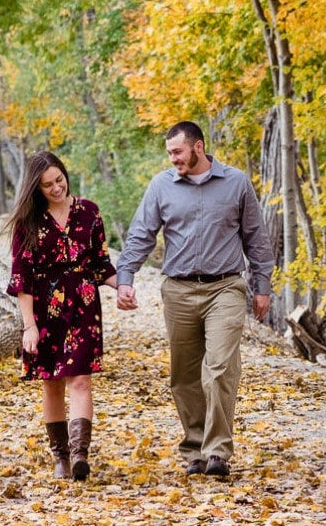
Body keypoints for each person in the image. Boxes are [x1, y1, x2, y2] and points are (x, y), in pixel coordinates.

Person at [116, 121, 275, 477]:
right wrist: (125, 278)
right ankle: (194, 448)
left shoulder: (236, 183)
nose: (172, 159)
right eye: (169, 153)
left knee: (219, 368)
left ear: (198, 147)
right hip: (179, 291)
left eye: (178, 152)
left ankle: (218, 451)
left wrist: (262, 286)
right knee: (185, 375)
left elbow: (256, 238)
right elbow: (141, 234)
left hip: (225, 288)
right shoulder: (161, 186)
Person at [6, 151, 117, 481]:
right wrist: (29, 326)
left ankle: (81, 454)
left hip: (83, 306)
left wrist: (122, 286)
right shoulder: (28, 223)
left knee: (81, 379)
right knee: (52, 384)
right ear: (35, 188)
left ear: (65, 175)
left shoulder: (89, 212)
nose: (56, 188)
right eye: (47, 185)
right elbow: (21, 279)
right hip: (44, 310)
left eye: (59, 180)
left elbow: (101, 264)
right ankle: (61, 458)